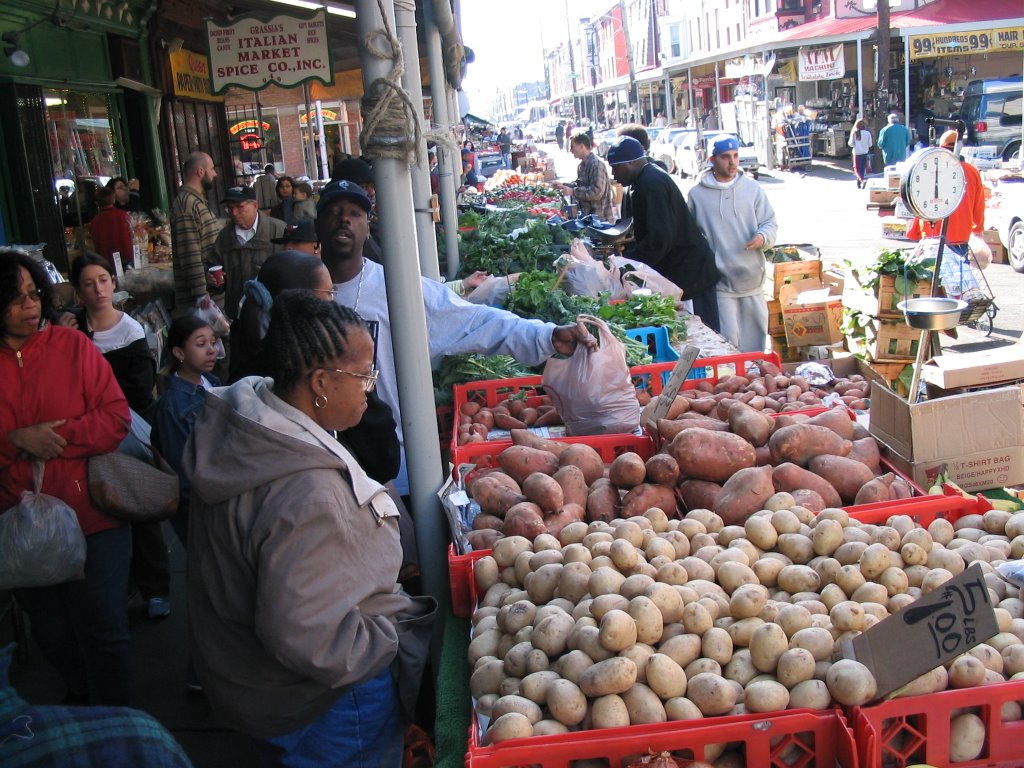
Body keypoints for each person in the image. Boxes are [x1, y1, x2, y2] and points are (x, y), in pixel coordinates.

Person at [186, 291, 428, 766]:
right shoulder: (306, 493)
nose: (371, 388)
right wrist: (389, 639)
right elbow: (307, 637)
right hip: (326, 703)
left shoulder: (254, 417)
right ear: (320, 382)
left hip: (258, 688)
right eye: (364, 376)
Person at [316, 179, 596, 498]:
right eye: (334, 212)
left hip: (392, 466)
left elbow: (475, 322)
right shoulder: (296, 291)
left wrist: (546, 336)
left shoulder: (398, 289)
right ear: (317, 225)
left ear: (368, 228)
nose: (344, 220)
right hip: (321, 468)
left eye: (354, 213)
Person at [0, 247, 132, 706]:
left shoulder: (73, 346)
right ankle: (82, 697)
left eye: (33, 293)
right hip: (21, 526)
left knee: (105, 630)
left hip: (93, 514)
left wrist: (53, 438)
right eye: (15, 298)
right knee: (52, 636)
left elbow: (116, 418)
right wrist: (15, 441)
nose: (30, 305)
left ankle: (120, 723)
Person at [67, 254, 172, 621]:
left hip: (125, 429)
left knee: (136, 504)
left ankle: (156, 588)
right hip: (83, 433)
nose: (98, 289)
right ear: (78, 292)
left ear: (114, 283)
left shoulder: (129, 330)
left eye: (103, 280)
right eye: (89, 283)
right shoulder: (71, 331)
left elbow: (139, 391)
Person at [604, 136, 721, 333]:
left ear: (631, 163)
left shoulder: (651, 183)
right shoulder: (643, 180)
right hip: (683, 270)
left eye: (616, 168)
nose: (614, 175)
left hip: (692, 273)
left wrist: (627, 263)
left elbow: (659, 240)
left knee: (703, 333)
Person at [687, 134, 778, 353]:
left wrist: (762, 238)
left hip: (752, 281)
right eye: (726, 157)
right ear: (712, 159)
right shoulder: (696, 195)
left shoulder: (752, 189)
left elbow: (770, 222)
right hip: (721, 284)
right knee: (729, 344)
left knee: (755, 346)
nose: (733, 162)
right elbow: (691, 237)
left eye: (736, 155)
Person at [152, 316, 219, 548]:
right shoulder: (172, 406)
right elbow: (182, 470)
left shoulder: (211, 383)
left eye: (213, 342)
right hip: (201, 510)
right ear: (179, 353)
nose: (211, 350)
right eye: (201, 345)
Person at [209, 186, 287, 320]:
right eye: (230, 208)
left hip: (273, 315)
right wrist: (214, 281)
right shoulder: (224, 237)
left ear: (255, 205)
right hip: (238, 316)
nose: (234, 212)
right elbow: (215, 268)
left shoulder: (279, 230)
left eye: (240, 207)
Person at [907, 129, 985, 255]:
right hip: (960, 237)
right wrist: (978, 232)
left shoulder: (928, 168)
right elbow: (979, 206)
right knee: (958, 272)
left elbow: (918, 200)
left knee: (932, 272)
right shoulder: (972, 172)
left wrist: (914, 230)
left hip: (932, 236)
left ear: (941, 146)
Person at [170, 152, 220, 318]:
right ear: (200, 172)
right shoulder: (186, 204)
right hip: (199, 301)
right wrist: (200, 292)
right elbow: (189, 252)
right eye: (211, 169)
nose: (215, 173)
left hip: (210, 291)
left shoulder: (196, 201)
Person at [555, 130, 614, 222]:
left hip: (601, 221)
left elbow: (597, 192)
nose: (571, 150)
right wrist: (563, 185)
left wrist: (573, 192)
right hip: (588, 218)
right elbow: (580, 185)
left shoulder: (596, 165)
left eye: (572, 147)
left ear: (582, 146)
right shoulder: (582, 165)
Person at [88, 186, 135, 270]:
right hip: (126, 257)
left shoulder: (95, 221)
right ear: (114, 199)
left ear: (97, 202)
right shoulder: (124, 215)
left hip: (106, 261)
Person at [848, 118, 873, 189]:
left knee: (856, 169)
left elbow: (850, 144)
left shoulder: (854, 133)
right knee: (862, 169)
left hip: (856, 153)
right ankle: (859, 182)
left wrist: (855, 145)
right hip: (865, 153)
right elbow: (870, 144)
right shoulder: (867, 133)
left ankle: (861, 181)